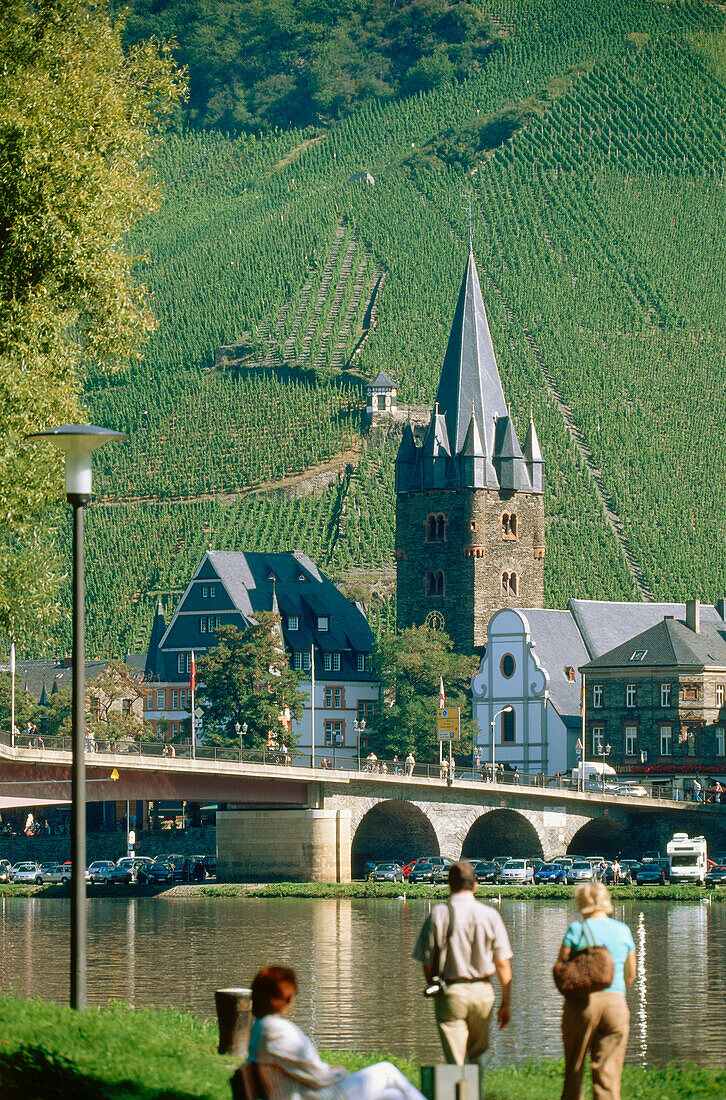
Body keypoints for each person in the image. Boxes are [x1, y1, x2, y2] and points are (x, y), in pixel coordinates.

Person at [249, 966, 427, 1100]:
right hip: (319, 1096)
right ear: (286, 998)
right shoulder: (276, 1031)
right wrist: (339, 1072)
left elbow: (306, 1069)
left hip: (309, 1093)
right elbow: (319, 1077)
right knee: (387, 1071)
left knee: (393, 1095)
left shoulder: (263, 1028)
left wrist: (328, 1071)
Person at [413, 861, 512, 1066]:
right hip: (483, 992)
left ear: (450, 885)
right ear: (475, 885)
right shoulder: (490, 915)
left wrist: (433, 983)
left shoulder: (438, 914)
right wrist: (506, 1002)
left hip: (451, 992)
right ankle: (475, 1092)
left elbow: (427, 961)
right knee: (475, 1056)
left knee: (456, 1062)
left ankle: (459, 1092)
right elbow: (503, 965)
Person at [557, 881, 636, 1100]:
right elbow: (631, 974)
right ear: (606, 901)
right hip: (616, 1005)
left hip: (582, 1004)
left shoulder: (577, 929)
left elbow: (561, 969)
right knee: (608, 1074)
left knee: (574, 1068)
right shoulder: (623, 931)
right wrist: (616, 992)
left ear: (580, 903)